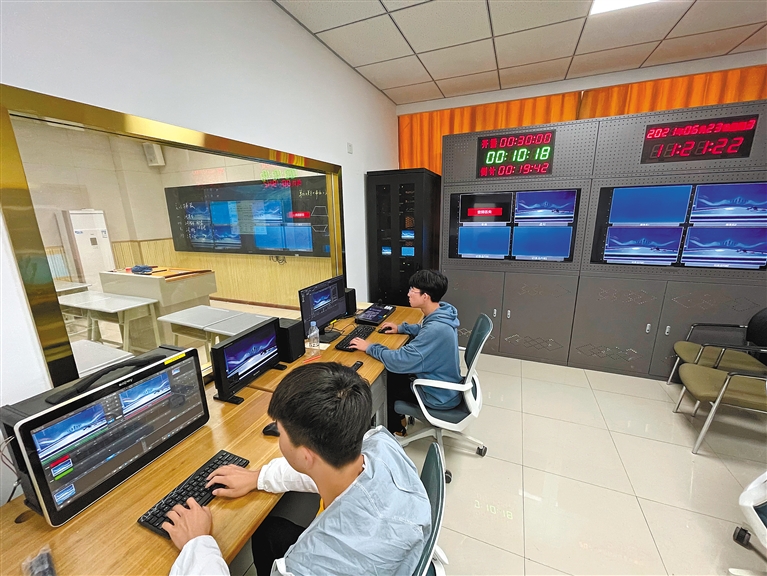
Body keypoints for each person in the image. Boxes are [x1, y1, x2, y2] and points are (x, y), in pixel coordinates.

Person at [164, 362, 431, 576]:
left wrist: (197, 545)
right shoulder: (381, 444)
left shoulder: (305, 567)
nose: (279, 437)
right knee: (270, 534)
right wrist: (260, 477)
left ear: (305, 456)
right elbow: (327, 465)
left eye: (280, 432)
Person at [349, 269, 461, 434]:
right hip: (445, 383)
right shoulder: (442, 313)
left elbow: (399, 360)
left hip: (438, 396)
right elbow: (424, 329)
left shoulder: (436, 329)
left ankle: (396, 430)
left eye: (412, 290)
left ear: (425, 296)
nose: (408, 294)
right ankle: (399, 420)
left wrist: (370, 347)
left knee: (384, 383)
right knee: (392, 374)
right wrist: (402, 328)